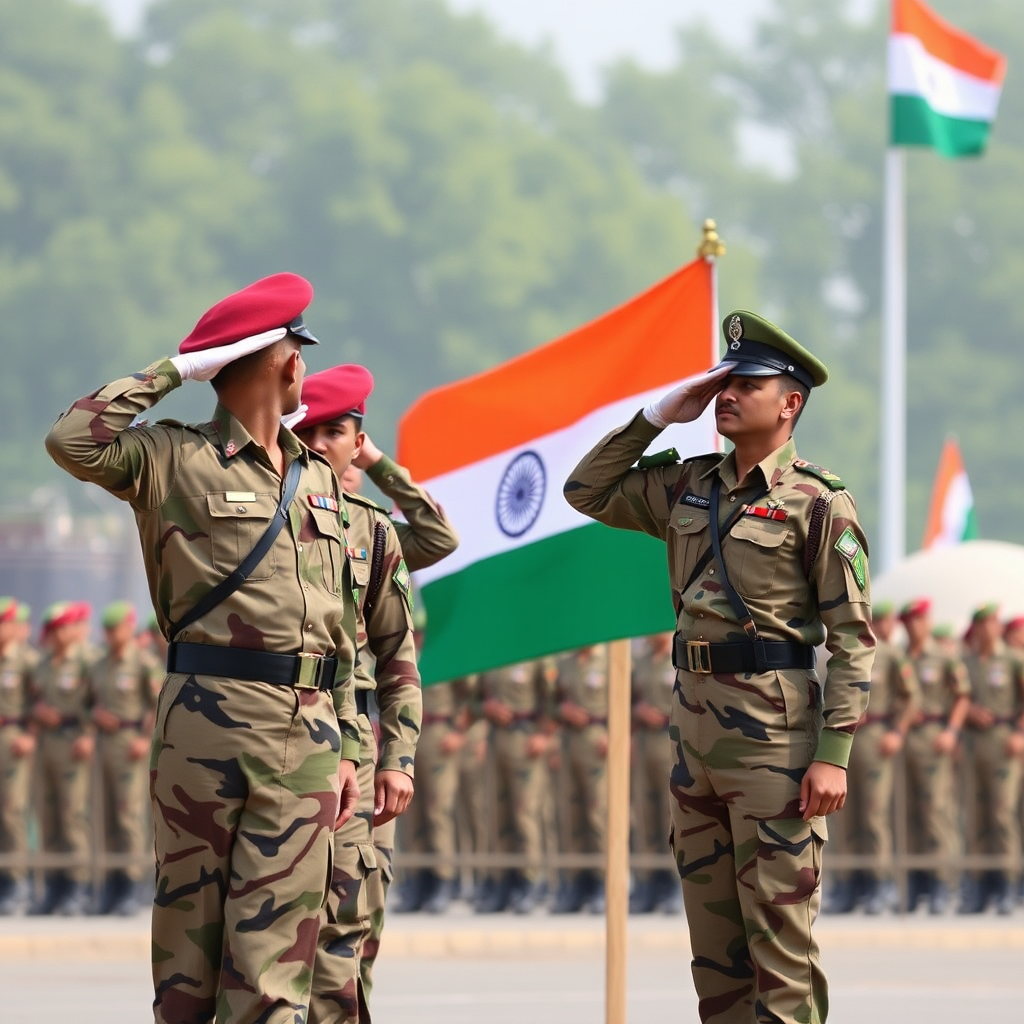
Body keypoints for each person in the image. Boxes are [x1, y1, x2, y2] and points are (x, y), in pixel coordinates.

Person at [45, 272, 361, 1024]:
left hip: (305, 729)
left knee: (274, 962)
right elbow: (70, 440)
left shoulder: (318, 477)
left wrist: (348, 740)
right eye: (298, 354)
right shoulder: (171, 459)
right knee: (188, 963)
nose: (304, 370)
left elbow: (335, 621)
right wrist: (178, 371)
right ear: (286, 363)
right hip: (202, 725)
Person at [564, 310, 874, 1023]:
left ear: (790, 402)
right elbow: (586, 491)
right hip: (695, 741)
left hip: (775, 744)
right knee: (716, 958)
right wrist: (657, 416)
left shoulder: (818, 503)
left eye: (747, 383)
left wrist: (834, 755)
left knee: (780, 953)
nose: (726, 393)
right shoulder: (687, 486)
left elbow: (853, 639)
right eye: (723, 380)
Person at [291, 363, 457, 1023]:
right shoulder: (275, 518)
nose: (337, 444)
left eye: (347, 432)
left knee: (356, 920)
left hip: (360, 747)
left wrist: (399, 758)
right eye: (322, 431)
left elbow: (398, 656)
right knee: (285, 926)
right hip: (291, 733)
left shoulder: (367, 525)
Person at [899, 597, 970, 914]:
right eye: (909, 620)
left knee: (936, 810)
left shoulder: (943, 657)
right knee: (907, 811)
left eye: (918, 619)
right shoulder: (897, 656)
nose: (914, 625)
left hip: (933, 736)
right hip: (903, 738)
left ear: (927, 622)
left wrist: (952, 731)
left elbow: (962, 697)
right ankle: (916, 880)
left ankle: (943, 881)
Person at [89, 601, 160, 915]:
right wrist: (95, 714)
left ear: (128, 627)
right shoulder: (101, 665)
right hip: (105, 744)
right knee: (104, 815)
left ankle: (133, 883)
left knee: (128, 814)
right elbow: (88, 702)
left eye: (115, 628)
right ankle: (111, 883)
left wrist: (146, 739)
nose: (110, 634)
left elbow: (158, 702)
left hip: (132, 745)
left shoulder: (143, 663)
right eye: (107, 629)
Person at [30, 600, 96, 916]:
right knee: (48, 816)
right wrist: (36, 711)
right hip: (46, 747)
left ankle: (77, 885)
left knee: (73, 815)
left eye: (60, 628)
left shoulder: (88, 661)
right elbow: (28, 700)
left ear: (72, 629)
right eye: (53, 630)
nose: (56, 635)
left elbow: (102, 703)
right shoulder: (42, 663)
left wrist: (88, 734)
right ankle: (53, 886)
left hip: (74, 746)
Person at [475, 659, 556, 914]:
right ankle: (502, 880)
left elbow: (554, 700)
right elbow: (472, 701)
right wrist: (485, 707)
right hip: (497, 742)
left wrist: (545, 734)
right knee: (498, 816)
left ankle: (530, 879)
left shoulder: (538, 657)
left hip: (526, 742)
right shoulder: (493, 656)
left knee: (525, 814)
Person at [958, 603, 1024, 915]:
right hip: (974, 744)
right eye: (986, 622)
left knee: (1002, 813)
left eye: (995, 622)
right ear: (977, 627)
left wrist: (1020, 734)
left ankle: (1008, 884)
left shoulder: (1013, 659)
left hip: (1003, 743)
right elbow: (956, 699)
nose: (991, 628)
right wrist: (969, 712)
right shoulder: (966, 661)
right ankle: (980, 884)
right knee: (976, 815)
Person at [551, 645, 609, 915]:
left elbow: (632, 700)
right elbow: (551, 701)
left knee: (598, 815)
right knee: (571, 815)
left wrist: (618, 735)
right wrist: (562, 708)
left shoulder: (609, 661)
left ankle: (601, 881)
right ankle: (575, 882)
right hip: (569, 743)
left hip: (598, 742)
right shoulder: (566, 663)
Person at [630, 632, 682, 914]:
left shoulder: (678, 659)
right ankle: (648, 883)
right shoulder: (643, 662)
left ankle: (676, 884)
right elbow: (630, 700)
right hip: (644, 744)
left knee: (669, 817)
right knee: (645, 816)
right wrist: (638, 711)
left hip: (669, 743)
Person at [0, 597, 38, 916]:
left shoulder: (27, 660)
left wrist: (30, 735)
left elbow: (42, 703)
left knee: (12, 810)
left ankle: (16, 881)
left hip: (14, 741)